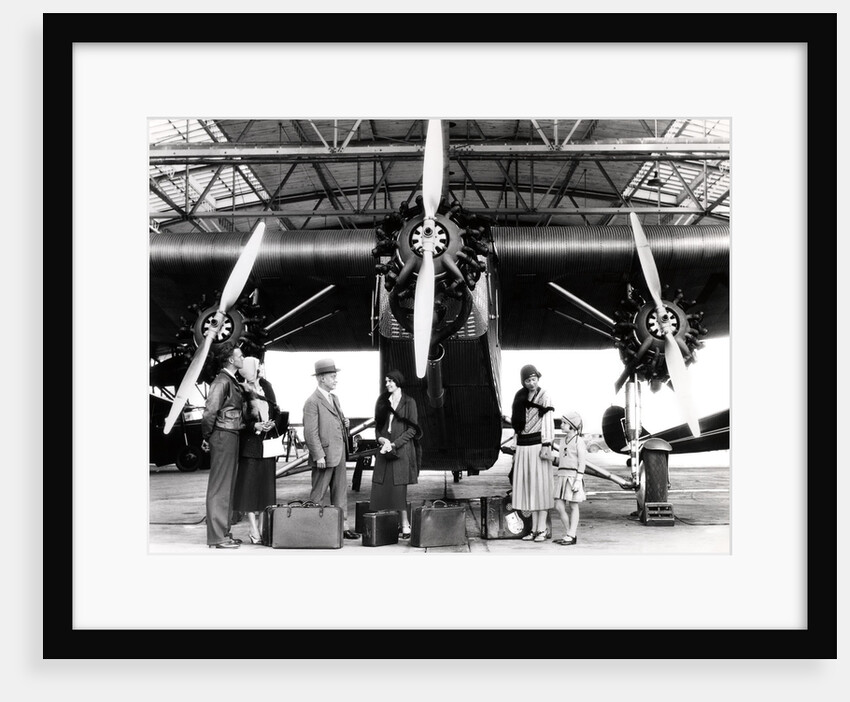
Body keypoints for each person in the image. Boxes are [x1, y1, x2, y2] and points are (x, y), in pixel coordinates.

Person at [233, 356, 288, 544]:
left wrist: (273, 424)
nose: (261, 368)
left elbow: (278, 411)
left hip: (268, 445)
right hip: (250, 447)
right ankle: (253, 528)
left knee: (267, 489)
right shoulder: (240, 390)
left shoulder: (267, 386)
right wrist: (255, 426)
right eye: (258, 366)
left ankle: (264, 528)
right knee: (249, 489)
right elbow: (238, 420)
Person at [302, 358, 359, 540]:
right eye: (332, 377)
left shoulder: (334, 398)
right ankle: (312, 529)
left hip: (339, 453)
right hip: (324, 456)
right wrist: (318, 455)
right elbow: (310, 432)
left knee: (340, 492)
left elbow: (335, 421)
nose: (336, 380)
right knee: (318, 493)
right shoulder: (312, 402)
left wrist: (345, 424)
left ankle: (342, 527)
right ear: (321, 379)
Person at [200, 342, 246, 549]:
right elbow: (210, 411)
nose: (242, 358)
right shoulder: (221, 381)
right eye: (240, 356)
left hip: (230, 434)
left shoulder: (230, 380)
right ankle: (217, 537)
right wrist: (207, 436)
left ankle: (223, 532)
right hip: (223, 435)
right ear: (231, 359)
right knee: (220, 487)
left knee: (227, 486)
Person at [370, 369, 421, 539]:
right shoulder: (383, 401)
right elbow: (378, 427)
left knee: (399, 490)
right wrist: (381, 440)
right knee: (381, 487)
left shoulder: (409, 402)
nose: (388, 384)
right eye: (386, 381)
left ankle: (405, 525)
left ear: (398, 382)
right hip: (384, 449)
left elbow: (413, 429)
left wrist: (394, 444)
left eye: (391, 381)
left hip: (401, 450)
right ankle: (386, 525)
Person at [509, 364, 555, 542]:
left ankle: (542, 529)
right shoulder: (520, 396)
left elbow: (548, 420)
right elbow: (517, 423)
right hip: (523, 446)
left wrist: (547, 443)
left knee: (541, 489)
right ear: (523, 381)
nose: (531, 383)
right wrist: (515, 447)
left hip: (538, 445)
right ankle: (533, 529)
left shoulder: (545, 396)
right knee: (529, 490)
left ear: (538, 379)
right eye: (527, 380)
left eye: (534, 379)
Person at [553, 410, 587, 546]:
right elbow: (562, 459)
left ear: (572, 426)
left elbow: (582, 462)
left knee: (573, 506)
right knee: (558, 506)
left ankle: (571, 534)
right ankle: (570, 533)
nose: (561, 425)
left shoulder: (579, 441)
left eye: (564, 423)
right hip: (562, 476)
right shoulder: (562, 440)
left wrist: (578, 480)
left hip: (573, 477)